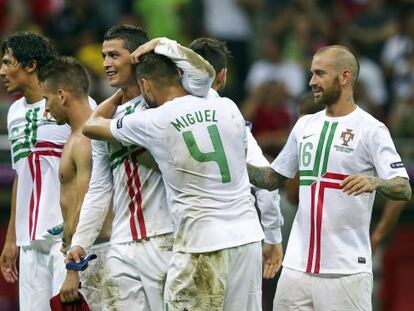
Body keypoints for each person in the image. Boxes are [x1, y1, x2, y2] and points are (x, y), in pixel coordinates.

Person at [82, 51, 265, 310]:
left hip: (201, 243)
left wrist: (115, 98)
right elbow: (206, 73)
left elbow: (91, 126)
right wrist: (163, 44)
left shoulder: (155, 119)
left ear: (145, 84)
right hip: (248, 238)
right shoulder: (227, 106)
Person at [247, 45, 412, 310]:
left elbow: (403, 188)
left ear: (344, 77)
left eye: (320, 74)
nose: (311, 81)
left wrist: (374, 182)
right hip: (296, 269)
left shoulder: (371, 129)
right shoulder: (304, 125)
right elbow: (272, 178)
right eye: (312, 73)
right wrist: (235, 163)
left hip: (345, 271)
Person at [66, 26, 214, 310]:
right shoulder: (106, 120)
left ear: (135, 57)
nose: (106, 64)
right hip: (121, 244)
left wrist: (162, 43)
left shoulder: (168, 105)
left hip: (166, 238)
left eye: (113, 55)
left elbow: (204, 76)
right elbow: (99, 187)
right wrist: (80, 242)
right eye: (103, 56)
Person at [188, 37, 284, 279]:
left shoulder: (163, 117)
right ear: (223, 76)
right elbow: (267, 184)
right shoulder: (234, 118)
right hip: (243, 237)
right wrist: (272, 235)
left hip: (193, 240)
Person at [38, 56, 112, 309]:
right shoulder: (77, 136)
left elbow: (88, 201)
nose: (46, 110)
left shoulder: (84, 141)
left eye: (46, 99)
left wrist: (74, 267)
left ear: (62, 95)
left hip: (91, 255)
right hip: (83, 253)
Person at [0, 32, 67, 310]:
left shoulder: (71, 102)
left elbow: (93, 171)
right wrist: (11, 238)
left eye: (7, 62)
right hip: (28, 240)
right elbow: (21, 174)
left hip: (64, 237)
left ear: (31, 66)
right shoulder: (14, 111)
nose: (2, 70)